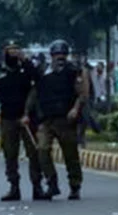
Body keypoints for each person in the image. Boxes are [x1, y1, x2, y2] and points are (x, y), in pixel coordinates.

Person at [26, 39, 86, 200]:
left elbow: (81, 94)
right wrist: (26, 112)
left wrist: (75, 109)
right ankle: (52, 183)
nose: (59, 57)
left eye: (63, 54)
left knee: (70, 154)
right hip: (46, 119)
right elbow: (34, 93)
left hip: (65, 119)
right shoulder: (42, 72)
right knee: (42, 149)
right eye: (56, 54)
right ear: (51, 56)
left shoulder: (73, 71)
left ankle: (75, 185)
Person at [0, 40, 47, 201]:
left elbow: (39, 79)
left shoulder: (26, 70)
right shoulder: (2, 72)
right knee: (10, 154)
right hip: (8, 118)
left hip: (27, 118)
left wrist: (25, 60)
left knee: (33, 153)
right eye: (9, 50)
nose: (12, 53)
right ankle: (14, 187)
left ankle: (37, 186)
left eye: (15, 50)